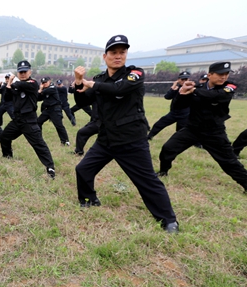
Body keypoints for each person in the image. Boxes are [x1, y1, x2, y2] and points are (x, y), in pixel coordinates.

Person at [73, 34, 178, 233]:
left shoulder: (135, 74)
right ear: (105, 56)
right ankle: (89, 200)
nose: (118, 56)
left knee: (147, 181)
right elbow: (82, 102)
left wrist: (92, 85)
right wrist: (79, 82)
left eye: (122, 52)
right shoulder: (100, 79)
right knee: (83, 169)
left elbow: (118, 89)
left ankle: (169, 220)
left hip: (131, 139)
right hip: (106, 139)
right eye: (113, 52)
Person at [158, 61, 247, 192]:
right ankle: (163, 172)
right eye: (220, 74)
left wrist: (194, 91)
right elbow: (179, 106)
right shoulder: (198, 87)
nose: (224, 77)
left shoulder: (229, 86)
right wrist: (182, 92)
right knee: (168, 148)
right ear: (210, 75)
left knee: (229, 162)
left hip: (214, 131)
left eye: (226, 74)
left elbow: (217, 96)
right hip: (192, 129)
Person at [0, 61, 56, 179]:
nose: (23, 73)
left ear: (30, 72)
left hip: (29, 120)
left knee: (39, 144)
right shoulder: (17, 84)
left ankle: (50, 167)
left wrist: (10, 84)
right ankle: (8, 157)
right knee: (4, 136)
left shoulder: (33, 83)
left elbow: (19, 86)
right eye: (20, 72)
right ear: (17, 73)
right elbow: (7, 96)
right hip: (17, 119)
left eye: (25, 71)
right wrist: (9, 83)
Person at [147, 71, 191, 140]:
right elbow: (167, 97)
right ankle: (149, 136)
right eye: (182, 79)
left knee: (182, 131)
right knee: (159, 123)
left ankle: (197, 143)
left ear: (188, 80)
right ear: (178, 80)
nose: (184, 81)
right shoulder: (176, 88)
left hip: (184, 114)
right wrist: (172, 88)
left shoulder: (191, 89)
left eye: (186, 79)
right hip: (174, 113)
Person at [37, 76, 70, 146]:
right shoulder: (44, 89)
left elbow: (44, 92)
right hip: (47, 110)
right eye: (43, 83)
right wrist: (39, 92)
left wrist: (40, 90)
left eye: (45, 82)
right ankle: (38, 139)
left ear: (49, 81)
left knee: (59, 126)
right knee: (38, 122)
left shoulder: (52, 88)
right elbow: (38, 98)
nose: (44, 84)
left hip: (55, 109)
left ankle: (65, 141)